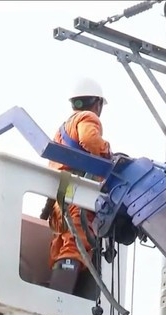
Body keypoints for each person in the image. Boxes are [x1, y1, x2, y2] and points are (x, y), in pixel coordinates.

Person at [41, 78, 111, 299]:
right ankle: (60, 298)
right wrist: (107, 153)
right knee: (75, 242)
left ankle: (57, 286)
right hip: (75, 197)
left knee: (62, 241)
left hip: (59, 197)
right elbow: (90, 140)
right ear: (97, 103)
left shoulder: (62, 130)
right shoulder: (87, 118)